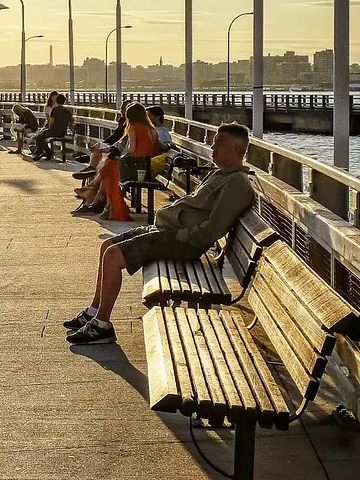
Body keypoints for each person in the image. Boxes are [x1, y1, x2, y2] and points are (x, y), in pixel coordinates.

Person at [64, 122, 255, 345]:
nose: (212, 146)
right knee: (107, 246)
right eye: (213, 141)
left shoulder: (236, 184)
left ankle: (102, 325)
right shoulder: (221, 174)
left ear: (237, 149)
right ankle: (94, 311)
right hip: (168, 231)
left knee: (114, 256)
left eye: (219, 143)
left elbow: (213, 229)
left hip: (182, 242)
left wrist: (182, 235)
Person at [74, 102, 159, 218]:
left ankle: (92, 191)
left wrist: (121, 156)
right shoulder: (152, 129)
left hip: (135, 166)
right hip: (145, 167)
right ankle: (94, 197)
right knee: (110, 164)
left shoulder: (133, 127)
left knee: (110, 165)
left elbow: (132, 149)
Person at [32, 94, 72, 161]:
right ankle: (44, 152)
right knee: (41, 135)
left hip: (54, 131)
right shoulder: (68, 111)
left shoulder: (55, 110)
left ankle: (46, 152)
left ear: (56, 101)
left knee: (39, 136)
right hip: (62, 132)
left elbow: (51, 122)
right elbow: (70, 122)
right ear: (64, 102)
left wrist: (49, 129)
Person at [148, 105, 173, 176]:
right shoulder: (153, 130)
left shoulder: (162, 131)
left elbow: (165, 146)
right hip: (153, 161)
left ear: (157, 117)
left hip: (155, 163)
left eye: (150, 116)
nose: (147, 118)